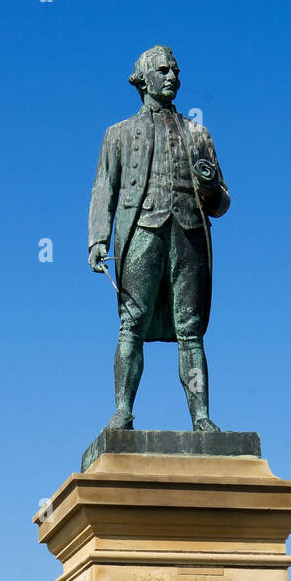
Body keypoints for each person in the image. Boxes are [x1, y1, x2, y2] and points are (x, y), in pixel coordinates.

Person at [88, 46, 230, 431]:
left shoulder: (199, 134)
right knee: (130, 323)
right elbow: (105, 187)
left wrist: (209, 185)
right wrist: (98, 238)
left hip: (189, 233)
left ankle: (201, 418)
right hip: (141, 231)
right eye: (163, 70)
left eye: (176, 71)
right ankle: (123, 411)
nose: (172, 77)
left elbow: (221, 203)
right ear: (143, 79)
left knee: (191, 328)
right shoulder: (117, 134)